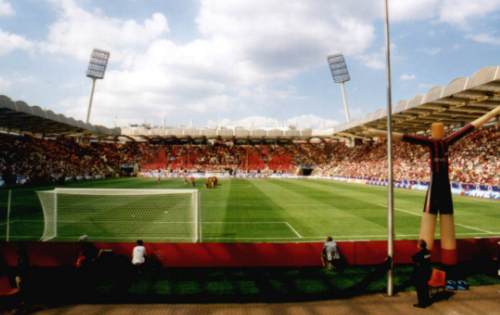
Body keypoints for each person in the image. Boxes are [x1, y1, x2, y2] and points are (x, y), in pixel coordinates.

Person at [412, 239, 432, 308]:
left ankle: (422, 303)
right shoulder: (428, 252)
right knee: (425, 288)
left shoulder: (419, 254)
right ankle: (426, 301)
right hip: (427, 272)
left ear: (420, 246)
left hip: (420, 274)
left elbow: (414, 258)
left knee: (420, 289)